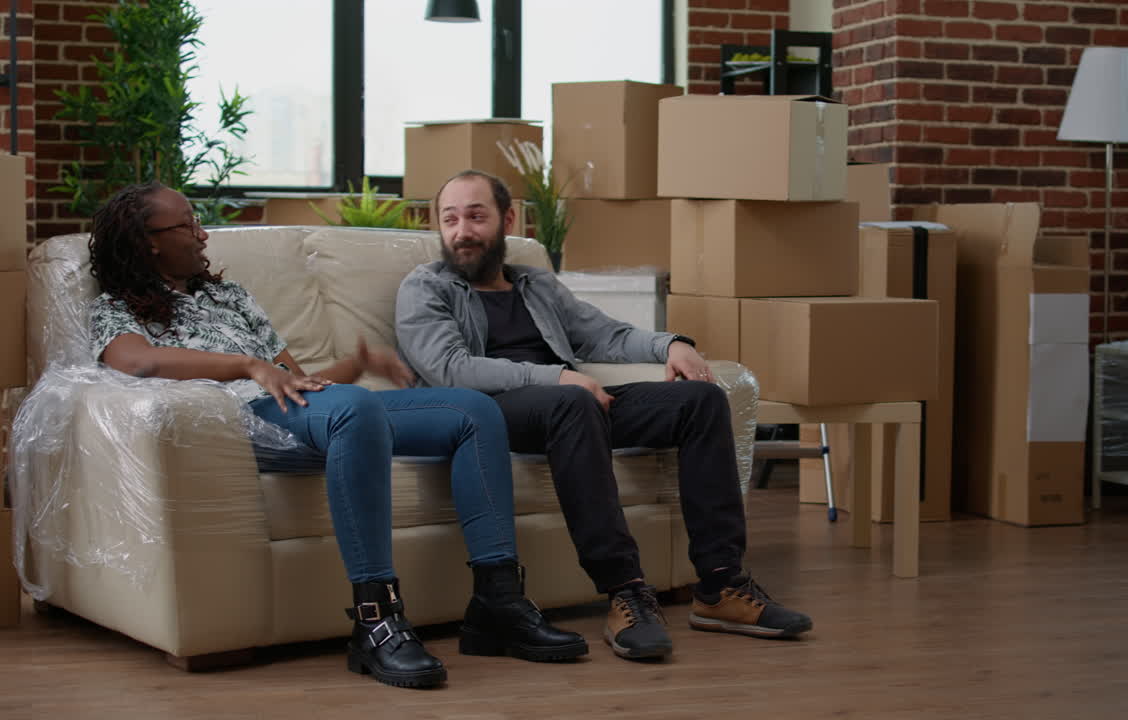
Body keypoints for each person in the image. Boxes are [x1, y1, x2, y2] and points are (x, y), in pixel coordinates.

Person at [87, 183, 587, 689]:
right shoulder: (116, 308)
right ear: (148, 240)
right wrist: (246, 365)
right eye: (188, 224)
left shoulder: (229, 295)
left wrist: (356, 364)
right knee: (356, 408)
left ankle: (497, 603)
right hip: (233, 420)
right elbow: (138, 361)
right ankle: (375, 620)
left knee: (473, 411)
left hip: (297, 409)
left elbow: (300, 383)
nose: (202, 234)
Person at [394, 170, 812, 661]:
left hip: (570, 410)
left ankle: (721, 587)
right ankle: (625, 591)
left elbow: (605, 335)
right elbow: (451, 370)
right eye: (450, 219)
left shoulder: (536, 285)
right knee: (575, 402)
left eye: (476, 216)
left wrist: (671, 344)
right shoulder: (425, 287)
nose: (462, 231)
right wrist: (557, 379)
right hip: (487, 415)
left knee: (700, 401)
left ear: (508, 220)